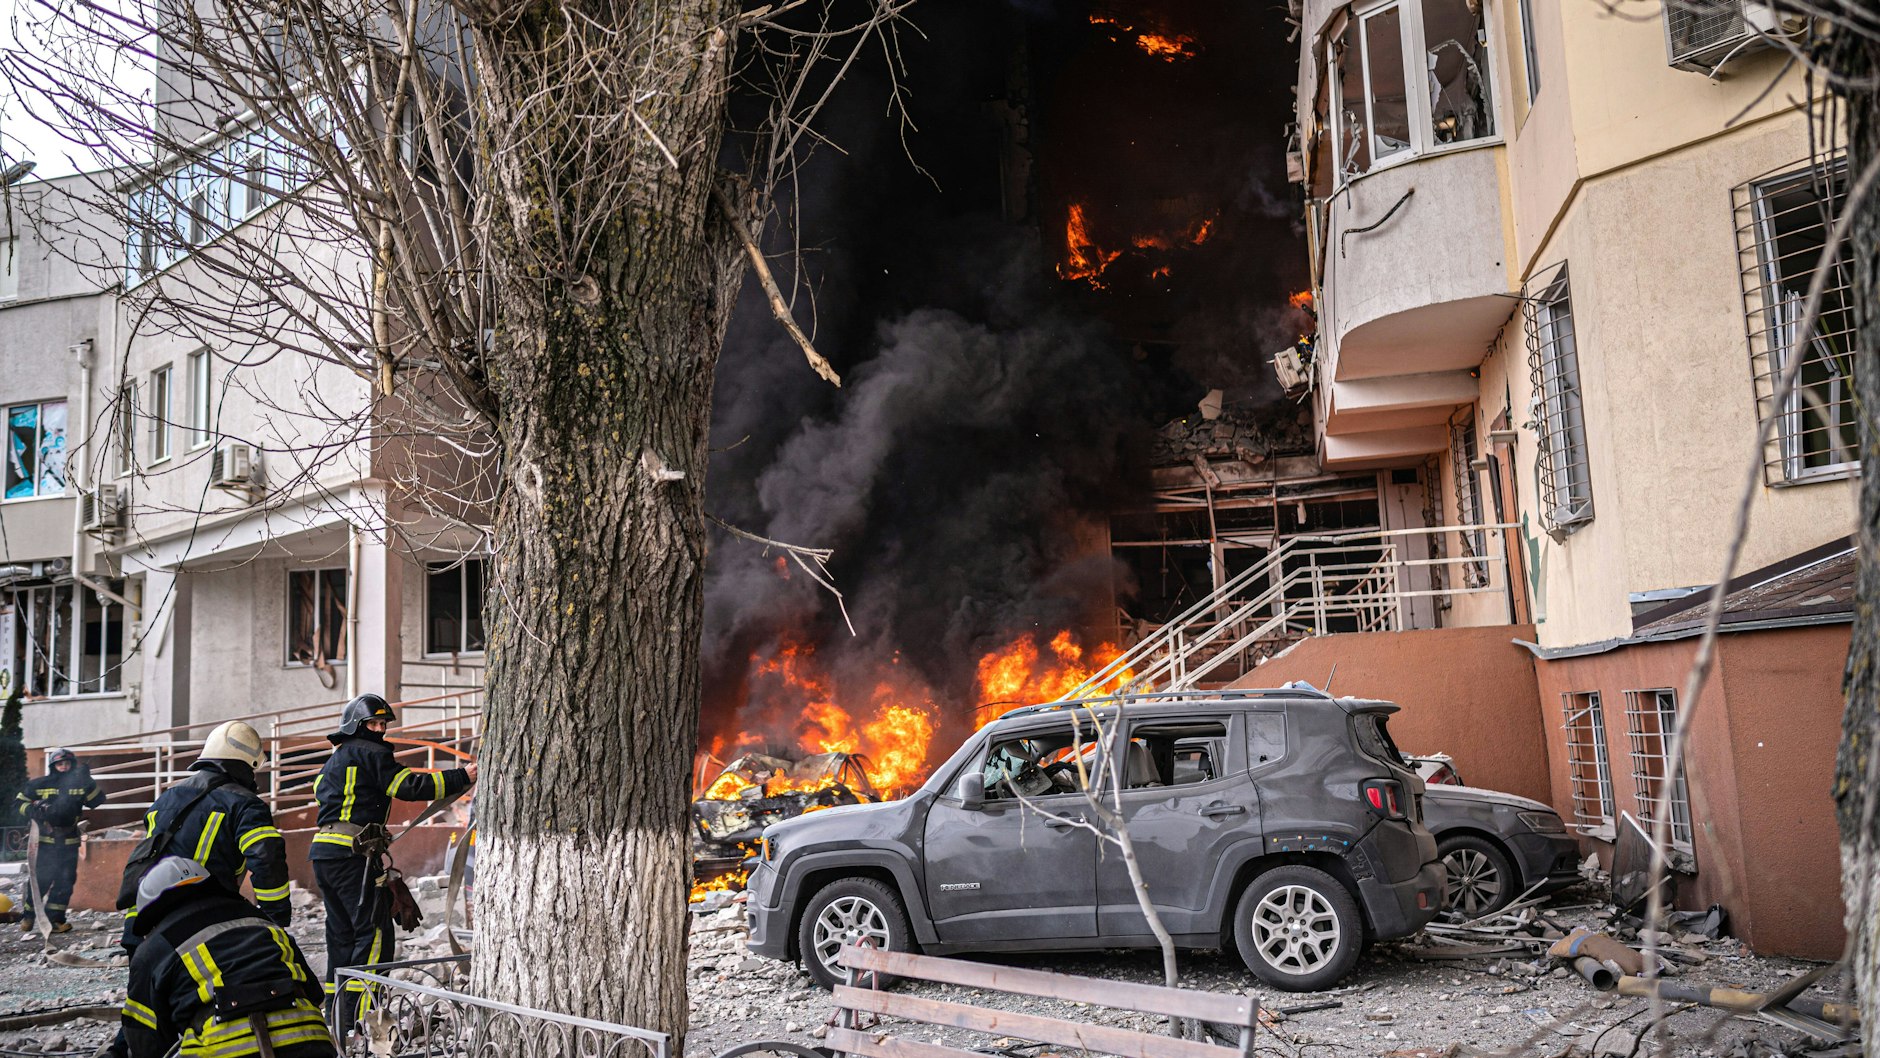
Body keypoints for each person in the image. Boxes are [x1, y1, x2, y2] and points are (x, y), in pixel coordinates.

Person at [312, 693, 474, 1031]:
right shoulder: (371, 753)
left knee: (341, 936)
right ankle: (361, 1022)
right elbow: (409, 786)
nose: (379, 729)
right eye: (373, 723)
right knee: (373, 935)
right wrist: (462, 776)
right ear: (355, 725)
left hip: (325, 856)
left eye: (383, 724)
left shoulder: (335, 760)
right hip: (353, 857)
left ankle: (336, 1019)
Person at [110, 856, 333, 1058]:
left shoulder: (154, 948)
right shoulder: (263, 922)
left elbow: (145, 1041)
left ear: (151, 912)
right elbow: (314, 993)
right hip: (312, 1043)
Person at [121, 720, 294, 943]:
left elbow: (148, 862)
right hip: (202, 921)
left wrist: (134, 935)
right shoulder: (245, 804)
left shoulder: (165, 799)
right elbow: (266, 859)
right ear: (246, 765)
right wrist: (276, 916)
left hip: (144, 924)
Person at [15, 747, 105, 932]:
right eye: (60, 763)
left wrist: (88, 781)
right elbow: (19, 803)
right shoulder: (40, 784)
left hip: (69, 841)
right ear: (53, 766)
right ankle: (28, 917)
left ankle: (55, 920)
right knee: (41, 879)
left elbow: (96, 801)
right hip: (45, 841)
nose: (63, 766)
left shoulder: (80, 784)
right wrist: (35, 810)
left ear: (72, 764)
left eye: (67, 763)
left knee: (65, 881)